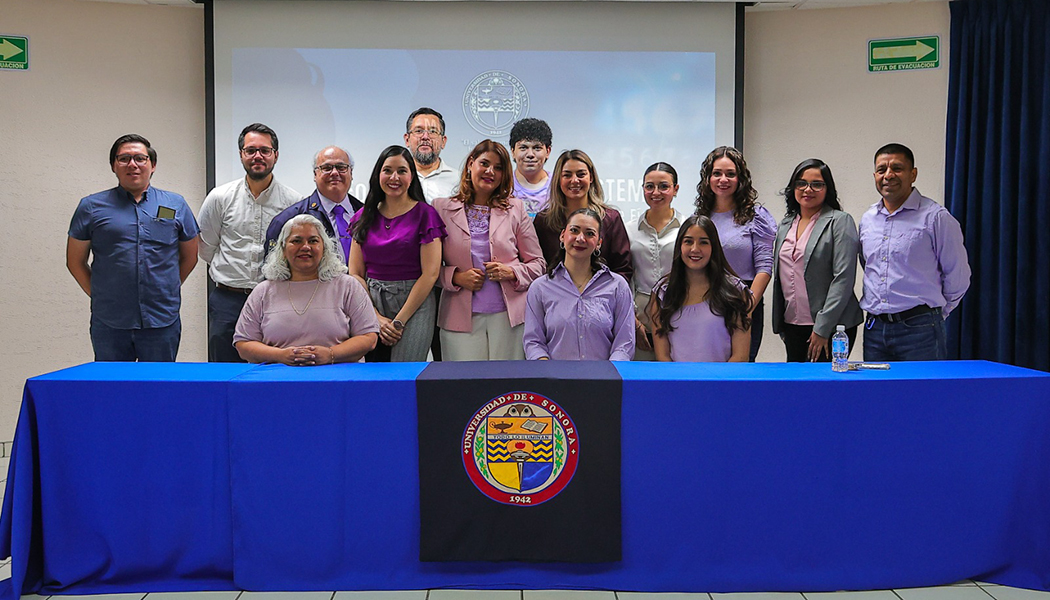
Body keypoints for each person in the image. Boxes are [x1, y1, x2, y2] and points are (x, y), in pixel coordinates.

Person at [66, 134, 199, 362]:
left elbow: (190, 256)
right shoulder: (90, 207)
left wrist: (166, 287)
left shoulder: (175, 204)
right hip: (109, 321)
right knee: (113, 390)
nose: (133, 164)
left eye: (140, 158)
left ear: (152, 165)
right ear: (113, 166)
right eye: (124, 158)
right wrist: (99, 294)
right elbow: (75, 261)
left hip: (161, 319)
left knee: (158, 389)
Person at [434, 140, 546, 361]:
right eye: (484, 163)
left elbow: (538, 265)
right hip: (459, 319)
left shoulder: (516, 208)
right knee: (465, 390)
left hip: (509, 319)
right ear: (470, 164)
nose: (490, 171)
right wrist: (455, 277)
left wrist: (511, 272)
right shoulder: (440, 208)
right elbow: (427, 269)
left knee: (507, 391)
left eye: (498, 167)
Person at [198, 123, 301, 362]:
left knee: (271, 371)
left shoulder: (293, 201)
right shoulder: (220, 197)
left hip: (276, 299)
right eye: (251, 150)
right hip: (228, 300)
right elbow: (206, 247)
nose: (258, 156)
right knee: (223, 373)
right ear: (241, 155)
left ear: (275, 155)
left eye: (265, 151)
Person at [859, 143, 970, 361]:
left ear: (913, 174)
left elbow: (958, 275)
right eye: (882, 170)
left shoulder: (936, 217)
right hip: (875, 330)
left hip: (920, 330)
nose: (888, 175)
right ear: (875, 175)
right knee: (878, 395)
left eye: (897, 168)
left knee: (923, 394)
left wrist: (935, 314)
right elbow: (869, 266)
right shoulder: (868, 219)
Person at [234, 215, 378, 365]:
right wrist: (280, 356)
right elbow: (244, 344)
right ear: (282, 249)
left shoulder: (348, 286)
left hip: (338, 377)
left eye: (313, 241)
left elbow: (369, 337)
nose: (305, 247)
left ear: (324, 248)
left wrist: (331, 354)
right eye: (296, 241)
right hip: (277, 378)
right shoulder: (263, 291)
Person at [349, 145, 447, 362]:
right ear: (378, 175)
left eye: (402, 171)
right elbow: (355, 273)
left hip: (415, 303)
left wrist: (398, 321)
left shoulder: (426, 214)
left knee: (405, 374)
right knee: (375, 376)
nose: (395, 177)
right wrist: (375, 317)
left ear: (411, 176)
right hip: (371, 301)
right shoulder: (362, 217)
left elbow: (430, 274)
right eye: (388, 170)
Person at [771, 159, 864, 362]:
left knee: (825, 389)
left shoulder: (840, 221)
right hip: (792, 325)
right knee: (796, 390)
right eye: (801, 183)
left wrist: (823, 328)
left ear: (827, 188)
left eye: (817, 184)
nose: (808, 189)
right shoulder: (785, 224)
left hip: (831, 328)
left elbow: (843, 278)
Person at [694, 146, 776, 362]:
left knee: (739, 372)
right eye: (717, 173)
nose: (723, 179)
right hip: (704, 302)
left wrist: (748, 307)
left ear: (741, 179)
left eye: (731, 174)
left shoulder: (756, 216)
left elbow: (765, 267)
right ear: (708, 178)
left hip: (742, 301)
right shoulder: (701, 217)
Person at [524, 208, 635, 361]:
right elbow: (533, 342)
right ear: (563, 236)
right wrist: (547, 371)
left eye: (590, 233)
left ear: (598, 243)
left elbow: (625, 343)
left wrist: (609, 376)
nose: (581, 238)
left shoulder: (617, 286)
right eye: (574, 231)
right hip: (556, 379)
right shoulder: (540, 288)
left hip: (603, 379)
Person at [649, 215, 752, 362]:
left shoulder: (735, 292)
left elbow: (740, 356)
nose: (695, 249)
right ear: (679, 246)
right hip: (677, 383)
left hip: (722, 383)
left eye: (703, 242)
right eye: (688, 242)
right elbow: (663, 356)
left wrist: (716, 384)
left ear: (714, 247)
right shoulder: (663, 292)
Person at [533, 149, 633, 283]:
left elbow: (623, 269)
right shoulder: (543, 221)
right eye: (567, 175)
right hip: (555, 300)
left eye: (581, 174)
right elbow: (537, 267)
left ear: (591, 177)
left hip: (602, 300)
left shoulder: (610, 219)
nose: (574, 180)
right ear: (558, 179)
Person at [626, 162, 685, 360]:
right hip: (640, 317)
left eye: (664, 186)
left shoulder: (688, 227)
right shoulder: (629, 229)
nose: (655, 192)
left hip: (680, 314)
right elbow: (626, 276)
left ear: (675, 189)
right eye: (649, 186)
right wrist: (632, 321)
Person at [265, 146, 363, 263]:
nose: (335, 173)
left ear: (351, 173)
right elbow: (273, 271)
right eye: (326, 168)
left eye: (341, 167)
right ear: (315, 174)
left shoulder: (368, 214)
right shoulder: (288, 220)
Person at [404, 107, 459, 202]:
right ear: (407, 140)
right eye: (418, 131)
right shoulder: (396, 179)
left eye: (433, 131)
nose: (425, 137)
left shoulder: (459, 180)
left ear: (443, 141)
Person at [508, 117, 553, 216]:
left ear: (548, 151)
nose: (530, 154)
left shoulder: (558, 184)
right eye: (523, 148)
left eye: (537, 148)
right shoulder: (503, 185)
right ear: (513, 151)